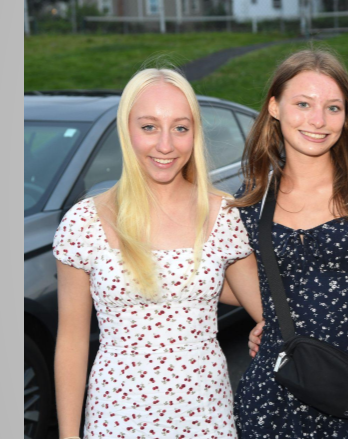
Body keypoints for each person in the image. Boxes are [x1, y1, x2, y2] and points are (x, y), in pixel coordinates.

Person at [53, 68, 248, 438]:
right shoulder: (83, 223)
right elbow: (72, 342)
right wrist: (67, 434)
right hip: (117, 419)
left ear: (195, 133)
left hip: (205, 417)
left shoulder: (223, 215)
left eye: (180, 127)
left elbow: (261, 302)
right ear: (126, 130)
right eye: (148, 127)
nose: (165, 145)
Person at [224, 48, 348, 437]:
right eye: (303, 104)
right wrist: (271, 321)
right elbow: (222, 281)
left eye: (333, 108)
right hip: (274, 400)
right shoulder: (251, 202)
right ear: (275, 107)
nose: (318, 121)